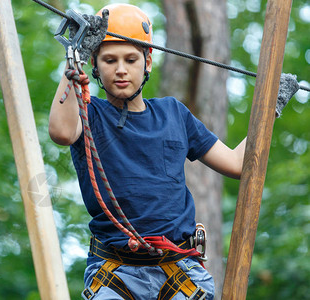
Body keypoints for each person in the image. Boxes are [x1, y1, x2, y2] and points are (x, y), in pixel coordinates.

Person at [48, 3, 299, 300]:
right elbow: (61, 133)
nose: (120, 69)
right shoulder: (89, 114)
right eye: (109, 59)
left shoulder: (173, 115)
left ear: (148, 62)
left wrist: (268, 111)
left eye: (130, 59)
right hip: (116, 272)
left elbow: (237, 164)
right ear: (95, 63)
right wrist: (75, 54)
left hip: (179, 269)